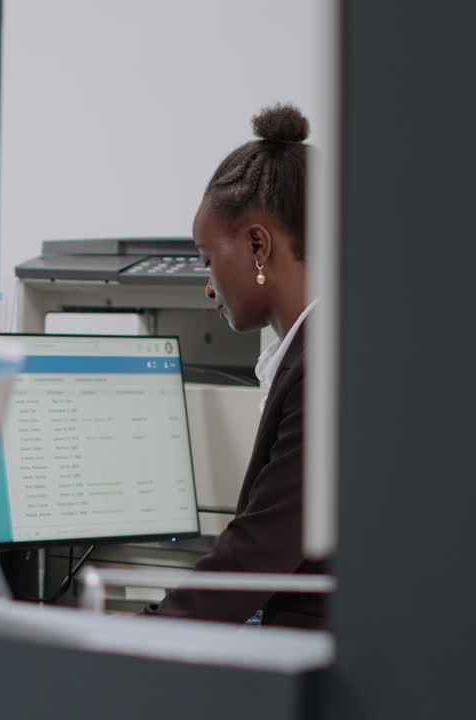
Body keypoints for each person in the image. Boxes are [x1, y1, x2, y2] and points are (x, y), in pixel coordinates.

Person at [148, 103, 327, 629]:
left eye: (207, 258)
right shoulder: (316, 352)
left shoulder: (326, 369)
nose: (208, 286)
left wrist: (130, 637)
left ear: (256, 245)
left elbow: (256, 551)